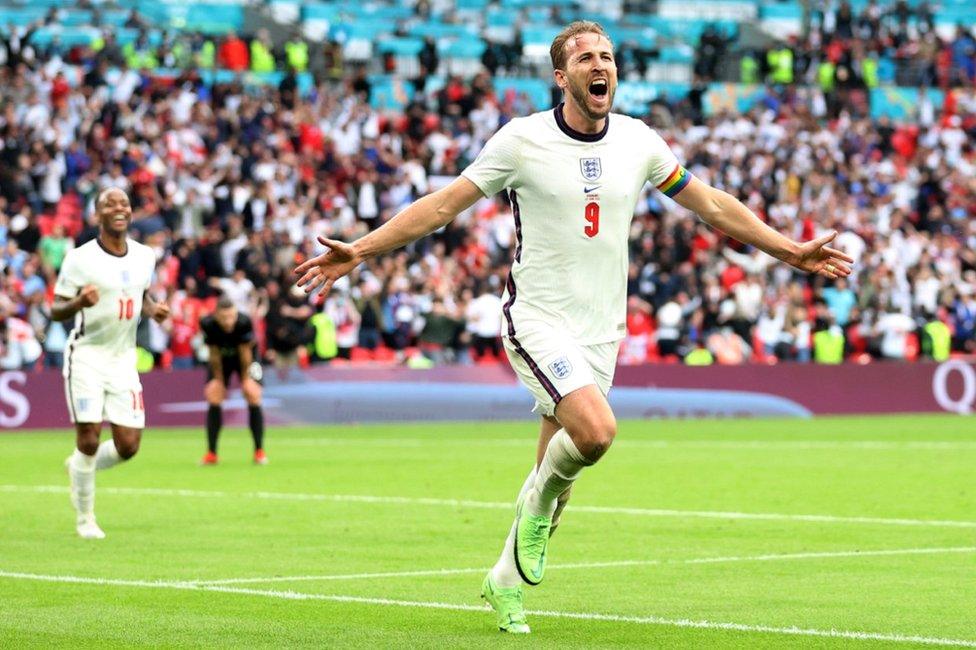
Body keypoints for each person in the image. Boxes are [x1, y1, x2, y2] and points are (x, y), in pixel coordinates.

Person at [293, 21, 854, 634]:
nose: (600, 65)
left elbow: (711, 203)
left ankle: (503, 584)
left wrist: (788, 251)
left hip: (599, 330)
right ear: (562, 76)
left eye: (607, 56)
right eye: (586, 57)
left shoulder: (639, 142)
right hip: (536, 318)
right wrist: (363, 250)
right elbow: (443, 205)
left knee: (556, 490)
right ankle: (530, 508)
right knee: (596, 433)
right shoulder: (522, 140)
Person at [51, 188, 169, 539]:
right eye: (109, 204)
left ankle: (79, 468)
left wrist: (153, 309)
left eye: (124, 204)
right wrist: (77, 303)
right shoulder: (79, 259)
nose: (119, 209)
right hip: (86, 355)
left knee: (128, 446)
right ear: (97, 215)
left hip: (123, 359)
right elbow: (55, 309)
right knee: (88, 438)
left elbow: (140, 294)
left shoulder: (145, 256)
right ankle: (86, 518)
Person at [198, 297, 267, 465]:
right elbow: (213, 353)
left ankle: (259, 451)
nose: (228, 321)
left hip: (248, 357)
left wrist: (245, 380)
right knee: (214, 394)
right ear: (216, 315)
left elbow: (245, 353)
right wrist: (219, 380)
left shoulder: (244, 322)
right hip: (222, 359)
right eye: (224, 317)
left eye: (231, 316)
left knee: (252, 393)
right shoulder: (208, 324)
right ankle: (212, 454)